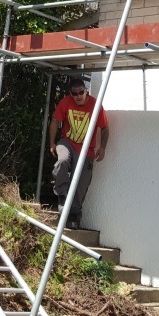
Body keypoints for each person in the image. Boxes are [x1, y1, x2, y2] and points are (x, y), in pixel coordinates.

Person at [49, 78, 109, 230]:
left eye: (81, 92)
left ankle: (74, 214)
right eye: (75, 93)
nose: (78, 96)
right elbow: (55, 120)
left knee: (83, 179)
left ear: (86, 91)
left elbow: (105, 127)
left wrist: (102, 148)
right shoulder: (65, 102)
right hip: (67, 142)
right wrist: (52, 143)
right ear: (71, 93)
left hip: (87, 149)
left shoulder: (95, 105)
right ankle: (62, 197)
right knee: (62, 160)